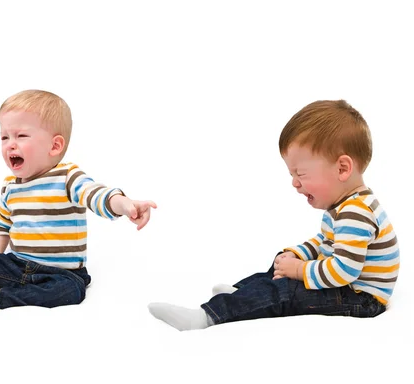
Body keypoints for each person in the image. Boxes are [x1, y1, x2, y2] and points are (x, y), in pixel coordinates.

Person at [148, 100, 399, 331]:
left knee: (286, 292)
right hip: (346, 288)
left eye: (300, 174)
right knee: (282, 260)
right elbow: (325, 244)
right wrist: (298, 255)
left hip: (359, 300)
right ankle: (241, 294)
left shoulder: (355, 212)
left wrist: (300, 270)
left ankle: (206, 317)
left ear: (342, 168)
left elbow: (344, 271)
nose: (294, 183)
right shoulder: (345, 206)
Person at [0, 90, 157, 325]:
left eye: (21, 136)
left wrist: (124, 204)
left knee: (71, 292)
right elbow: (3, 225)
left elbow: (95, 194)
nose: (10, 145)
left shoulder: (67, 177)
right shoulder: (10, 187)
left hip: (60, 273)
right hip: (16, 265)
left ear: (54, 146)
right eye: (4, 137)